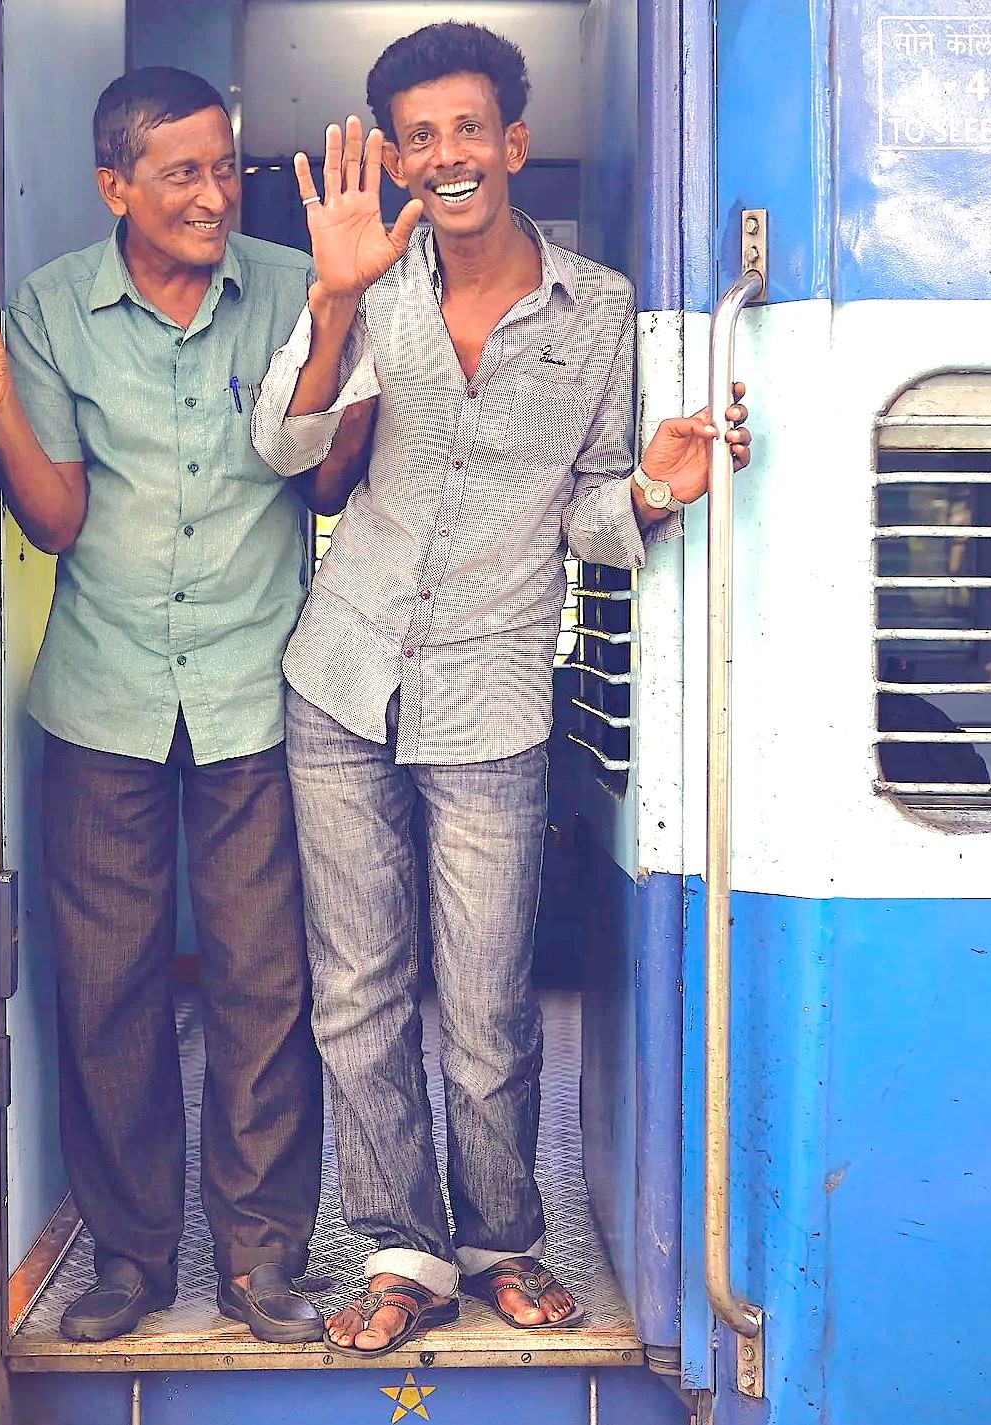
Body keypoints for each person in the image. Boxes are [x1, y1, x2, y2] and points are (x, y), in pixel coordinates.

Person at [249, 22, 752, 1355]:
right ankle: (402, 1251)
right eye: (418, 136)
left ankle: (502, 1240)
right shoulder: (367, 280)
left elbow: (584, 511)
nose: (443, 155)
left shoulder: (594, 314)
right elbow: (285, 443)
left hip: (494, 691)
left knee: (485, 1002)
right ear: (399, 161)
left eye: (466, 129)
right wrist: (336, 295)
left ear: (512, 144)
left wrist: (651, 487)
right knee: (356, 992)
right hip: (342, 681)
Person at [0, 66, 329, 1344]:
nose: (215, 196)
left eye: (226, 169)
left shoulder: (292, 288)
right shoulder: (51, 309)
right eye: (183, 175)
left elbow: (327, 485)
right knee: (107, 991)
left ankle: (265, 1261)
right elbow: (57, 517)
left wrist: (342, 309)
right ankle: (132, 1259)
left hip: (257, 690)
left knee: (264, 985)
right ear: (116, 187)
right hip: (100, 696)